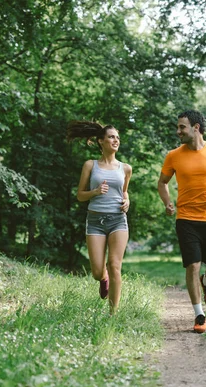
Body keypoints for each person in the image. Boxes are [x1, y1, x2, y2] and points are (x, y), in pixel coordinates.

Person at [157, 110, 206, 333]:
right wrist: (167, 203)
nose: (178, 131)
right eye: (178, 127)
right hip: (186, 219)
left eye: (182, 126)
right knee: (192, 265)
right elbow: (162, 183)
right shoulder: (173, 155)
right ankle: (199, 315)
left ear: (196, 128)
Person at [67, 120, 132, 314]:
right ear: (101, 141)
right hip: (95, 221)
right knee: (97, 272)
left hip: (118, 220)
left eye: (118, 137)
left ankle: (113, 314)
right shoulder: (90, 165)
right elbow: (79, 195)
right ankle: (103, 279)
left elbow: (125, 192)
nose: (116, 140)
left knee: (114, 265)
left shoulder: (125, 168)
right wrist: (94, 192)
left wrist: (127, 201)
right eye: (111, 137)